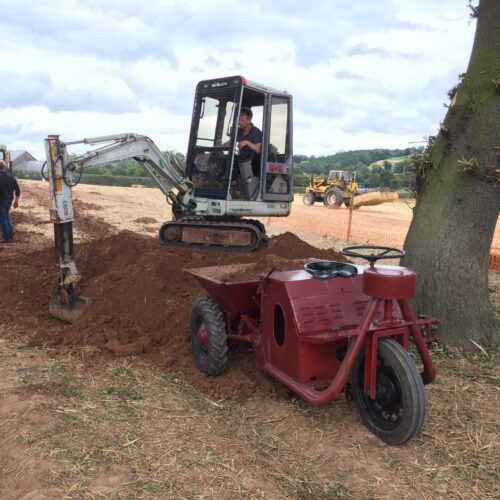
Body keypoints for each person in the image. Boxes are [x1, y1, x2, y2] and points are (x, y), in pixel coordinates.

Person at [0, 160, 20, 243]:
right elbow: (17, 190)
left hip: (0, 200)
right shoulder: (12, 177)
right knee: (6, 215)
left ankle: (6, 238)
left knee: (2, 219)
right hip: (9, 201)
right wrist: (16, 201)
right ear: (5, 167)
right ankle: (10, 230)